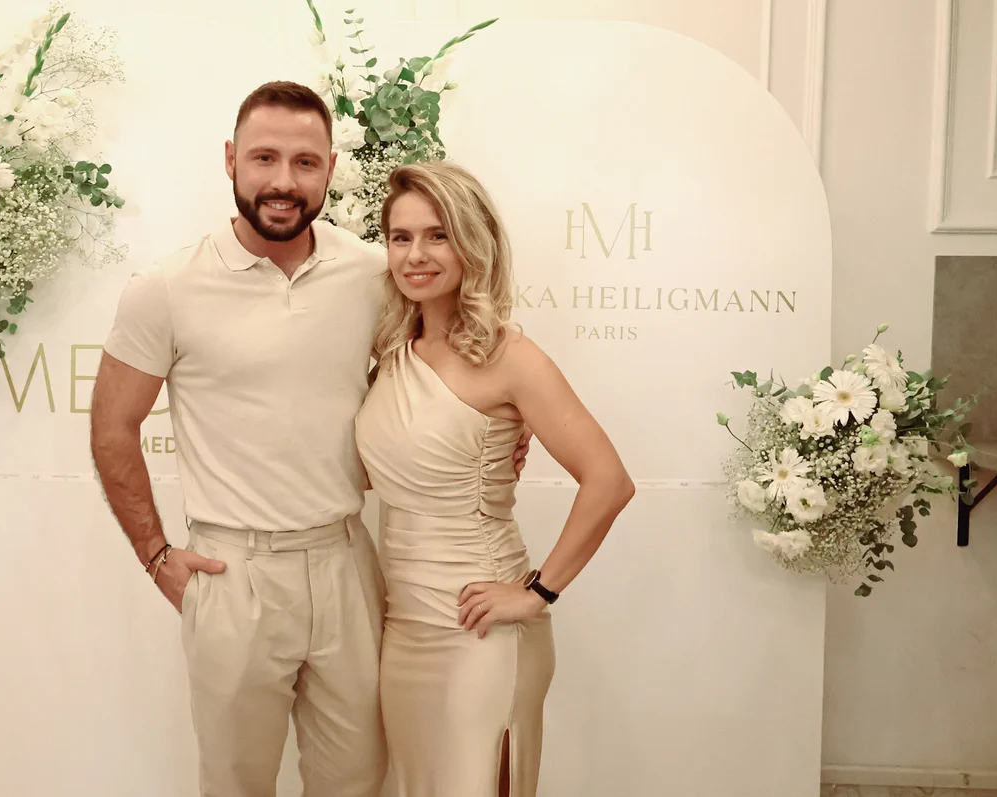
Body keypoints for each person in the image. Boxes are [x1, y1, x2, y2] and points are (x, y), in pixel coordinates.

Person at [91, 81, 528, 797]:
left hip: (346, 561)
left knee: (358, 780)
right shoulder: (165, 288)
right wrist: (155, 554)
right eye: (264, 158)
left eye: (305, 162)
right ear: (230, 159)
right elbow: (112, 426)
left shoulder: (373, 272)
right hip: (233, 569)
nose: (283, 181)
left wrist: (511, 421)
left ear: (330, 169)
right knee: (236, 783)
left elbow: (452, 353)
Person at [355, 161, 635, 797]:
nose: (416, 255)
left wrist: (537, 593)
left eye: (438, 235)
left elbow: (609, 480)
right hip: (404, 628)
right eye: (401, 238)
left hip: (481, 631)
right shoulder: (393, 354)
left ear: (472, 243)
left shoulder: (511, 357)